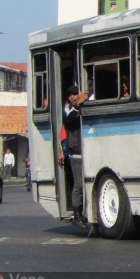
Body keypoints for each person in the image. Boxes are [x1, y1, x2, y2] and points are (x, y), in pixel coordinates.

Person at [60, 85, 89, 229]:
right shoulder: (67, 110)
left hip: (86, 150)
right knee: (78, 184)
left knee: (86, 184)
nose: (72, 96)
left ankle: (83, 213)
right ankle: (76, 215)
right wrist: (77, 106)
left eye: (74, 94)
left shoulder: (81, 105)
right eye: (69, 94)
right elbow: (69, 120)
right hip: (75, 152)